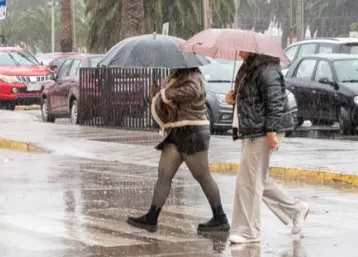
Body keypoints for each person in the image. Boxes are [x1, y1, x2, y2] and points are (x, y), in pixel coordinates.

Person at [127, 67, 230, 234]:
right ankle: (152, 217)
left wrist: (168, 93)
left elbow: (192, 90)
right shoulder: (176, 76)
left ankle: (220, 218)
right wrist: (158, 93)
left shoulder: (193, 75)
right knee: (164, 173)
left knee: (202, 176)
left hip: (192, 131)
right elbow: (168, 99)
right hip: (176, 130)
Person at [226, 51, 309, 244]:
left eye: (242, 47)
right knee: (256, 178)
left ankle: (249, 231)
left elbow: (275, 101)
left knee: (249, 182)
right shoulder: (249, 68)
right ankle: (296, 209)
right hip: (253, 130)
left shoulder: (267, 69)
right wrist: (234, 98)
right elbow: (252, 98)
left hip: (262, 131)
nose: (238, 51)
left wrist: (271, 131)